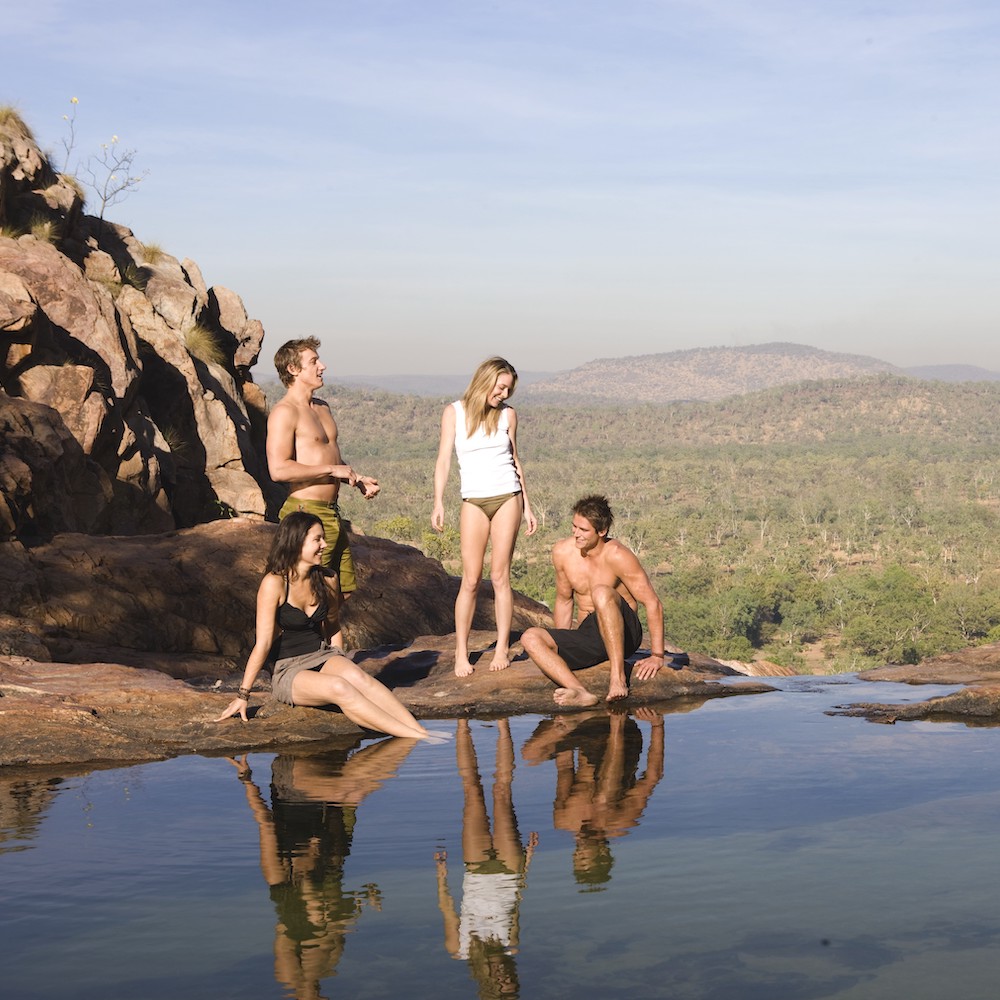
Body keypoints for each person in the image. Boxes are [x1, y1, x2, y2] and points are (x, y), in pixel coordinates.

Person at [215, 511, 437, 739]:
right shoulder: (274, 583)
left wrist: (339, 657)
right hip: (289, 669)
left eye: (323, 538)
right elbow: (262, 644)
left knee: (359, 678)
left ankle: (420, 730)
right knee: (340, 688)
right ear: (296, 543)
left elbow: (332, 626)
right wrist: (243, 695)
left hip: (322, 655)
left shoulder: (328, 579)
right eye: (317, 539)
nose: (324, 544)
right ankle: (415, 738)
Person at [267, 337, 379, 648]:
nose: (323, 366)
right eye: (314, 361)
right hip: (304, 513)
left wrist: (355, 480)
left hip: (331, 514)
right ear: (293, 368)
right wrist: (331, 471)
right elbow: (278, 469)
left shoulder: (322, 407)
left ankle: (325, 655)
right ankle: (299, 658)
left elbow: (329, 458)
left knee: (340, 592)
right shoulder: (284, 412)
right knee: (307, 594)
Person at [432, 357, 537, 676]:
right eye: (501, 386)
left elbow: (515, 460)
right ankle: (461, 653)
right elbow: (443, 461)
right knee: (471, 579)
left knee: (500, 576)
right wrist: (438, 502)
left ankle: (502, 648)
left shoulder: (508, 415)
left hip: (508, 497)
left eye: (509, 389)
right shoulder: (454, 412)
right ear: (485, 380)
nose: (504, 394)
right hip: (473, 501)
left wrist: (528, 505)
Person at [521, 494, 668, 707]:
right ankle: (579, 691)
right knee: (530, 637)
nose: (576, 534)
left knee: (601, 592)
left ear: (602, 531)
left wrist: (657, 655)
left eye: (583, 530)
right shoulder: (563, 552)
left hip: (625, 632)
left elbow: (653, 603)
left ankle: (617, 678)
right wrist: (561, 639)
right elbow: (564, 600)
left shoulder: (617, 555)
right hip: (589, 635)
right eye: (574, 527)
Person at [434, 719, 536, 997]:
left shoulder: (460, 948)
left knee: (472, 789)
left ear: (489, 987)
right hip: (509, 870)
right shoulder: (510, 944)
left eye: (502, 984)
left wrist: (441, 877)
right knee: (502, 792)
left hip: (476, 871)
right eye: (511, 979)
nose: (506, 975)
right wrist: (527, 862)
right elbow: (517, 903)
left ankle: (462, 724)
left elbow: (447, 910)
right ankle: (503, 724)